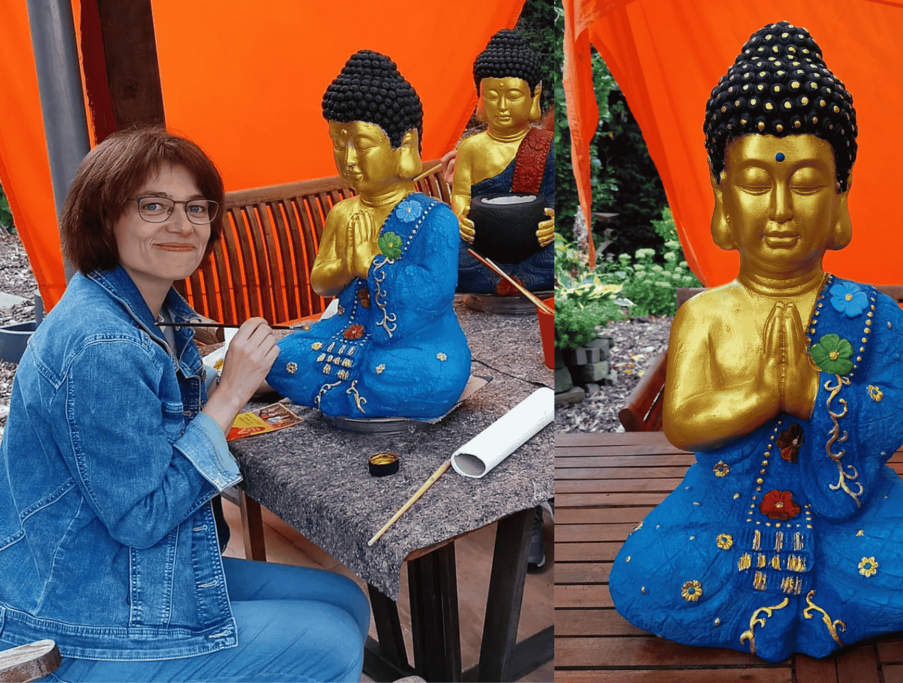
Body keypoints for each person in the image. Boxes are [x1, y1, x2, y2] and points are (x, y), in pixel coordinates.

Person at [609, 21, 903, 662]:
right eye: (757, 183)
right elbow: (682, 423)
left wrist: (813, 394)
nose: (782, 207)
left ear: (840, 197)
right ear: (723, 199)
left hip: (847, 510)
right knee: (641, 577)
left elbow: (896, 415)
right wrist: (765, 395)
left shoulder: (872, 313)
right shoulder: (704, 314)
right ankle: (819, 610)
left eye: (808, 183)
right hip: (723, 511)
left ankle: (807, 611)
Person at [0, 128, 370, 681]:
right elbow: (142, 517)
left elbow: (148, 417)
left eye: (197, 207)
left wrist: (237, 377)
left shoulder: (142, 309)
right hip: (81, 612)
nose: (183, 224)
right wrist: (231, 393)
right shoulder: (103, 344)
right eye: (154, 206)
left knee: (346, 600)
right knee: (332, 643)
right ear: (103, 218)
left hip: (118, 568)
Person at [266, 50, 471, 420]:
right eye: (337, 143)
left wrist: (372, 264)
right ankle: (353, 393)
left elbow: (434, 295)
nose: (348, 159)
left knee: (433, 375)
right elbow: (320, 282)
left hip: (417, 342)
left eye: (361, 145)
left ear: (404, 144)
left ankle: (341, 395)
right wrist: (347, 266)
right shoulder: (343, 213)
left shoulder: (436, 218)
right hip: (347, 332)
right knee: (284, 356)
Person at [451, 29, 555, 294]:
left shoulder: (547, 145)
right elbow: (461, 195)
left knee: (559, 254)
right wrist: (460, 217)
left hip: (534, 243)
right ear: (479, 95)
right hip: (483, 243)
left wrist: (554, 223)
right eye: (492, 96)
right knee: (446, 252)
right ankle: (504, 282)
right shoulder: (471, 148)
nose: (502, 106)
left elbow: (555, 197)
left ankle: (516, 281)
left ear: (535, 94)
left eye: (513, 96)